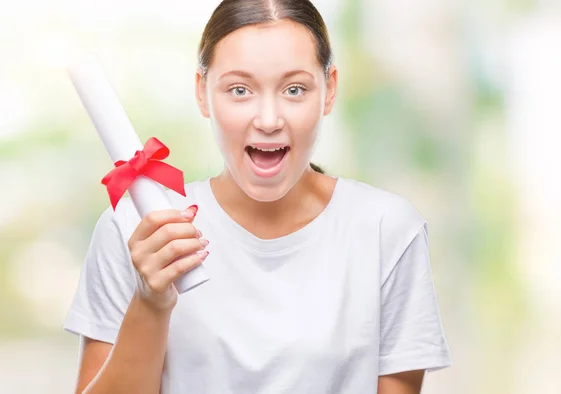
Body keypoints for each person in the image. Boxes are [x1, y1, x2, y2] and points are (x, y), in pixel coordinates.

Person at [63, 0, 452, 393]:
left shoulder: (386, 230)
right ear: (203, 92)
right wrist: (150, 302)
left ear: (329, 90)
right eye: (239, 90)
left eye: (295, 89)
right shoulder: (137, 230)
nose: (268, 120)